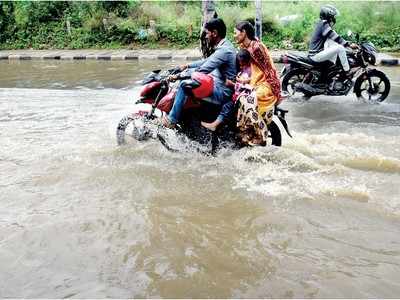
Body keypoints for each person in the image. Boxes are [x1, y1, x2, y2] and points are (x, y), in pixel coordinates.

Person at [162, 18, 236, 129]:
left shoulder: (224, 50)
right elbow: (207, 61)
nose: (206, 36)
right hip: (218, 84)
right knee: (188, 79)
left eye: (207, 33)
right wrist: (187, 66)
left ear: (214, 33)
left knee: (184, 85)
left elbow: (202, 70)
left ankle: (172, 120)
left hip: (223, 92)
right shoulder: (224, 46)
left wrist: (178, 76)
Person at [233, 21, 281, 146]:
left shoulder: (256, 47)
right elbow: (253, 70)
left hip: (266, 84)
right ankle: (245, 131)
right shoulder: (244, 47)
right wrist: (244, 80)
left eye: (236, 33)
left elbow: (268, 69)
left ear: (244, 33)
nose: (234, 36)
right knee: (238, 98)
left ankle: (262, 132)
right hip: (255, 83)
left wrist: (276, 89)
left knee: (246, 100)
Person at [201, 48, 252, 131]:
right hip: (237, 93)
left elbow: (245, 84)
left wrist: (232, 83)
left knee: (227, 105)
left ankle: (215, 124)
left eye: (242, 65)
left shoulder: (248, 71)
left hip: (242, 95)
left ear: (247, 62)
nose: (240, 66)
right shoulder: (243, 68)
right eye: (239, 65)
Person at [308, 5, 358, 77]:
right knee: (340, 48)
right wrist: (349, 45)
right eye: (332, 16)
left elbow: (334, 38)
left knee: (335, 45)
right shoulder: (324, 24)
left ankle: (333, 71)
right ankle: (347, 71)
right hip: (315, 55)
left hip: (316, 53)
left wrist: (346, 44)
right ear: (328, 16)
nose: (333, 18)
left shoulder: (321, 23)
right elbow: (335, 37)